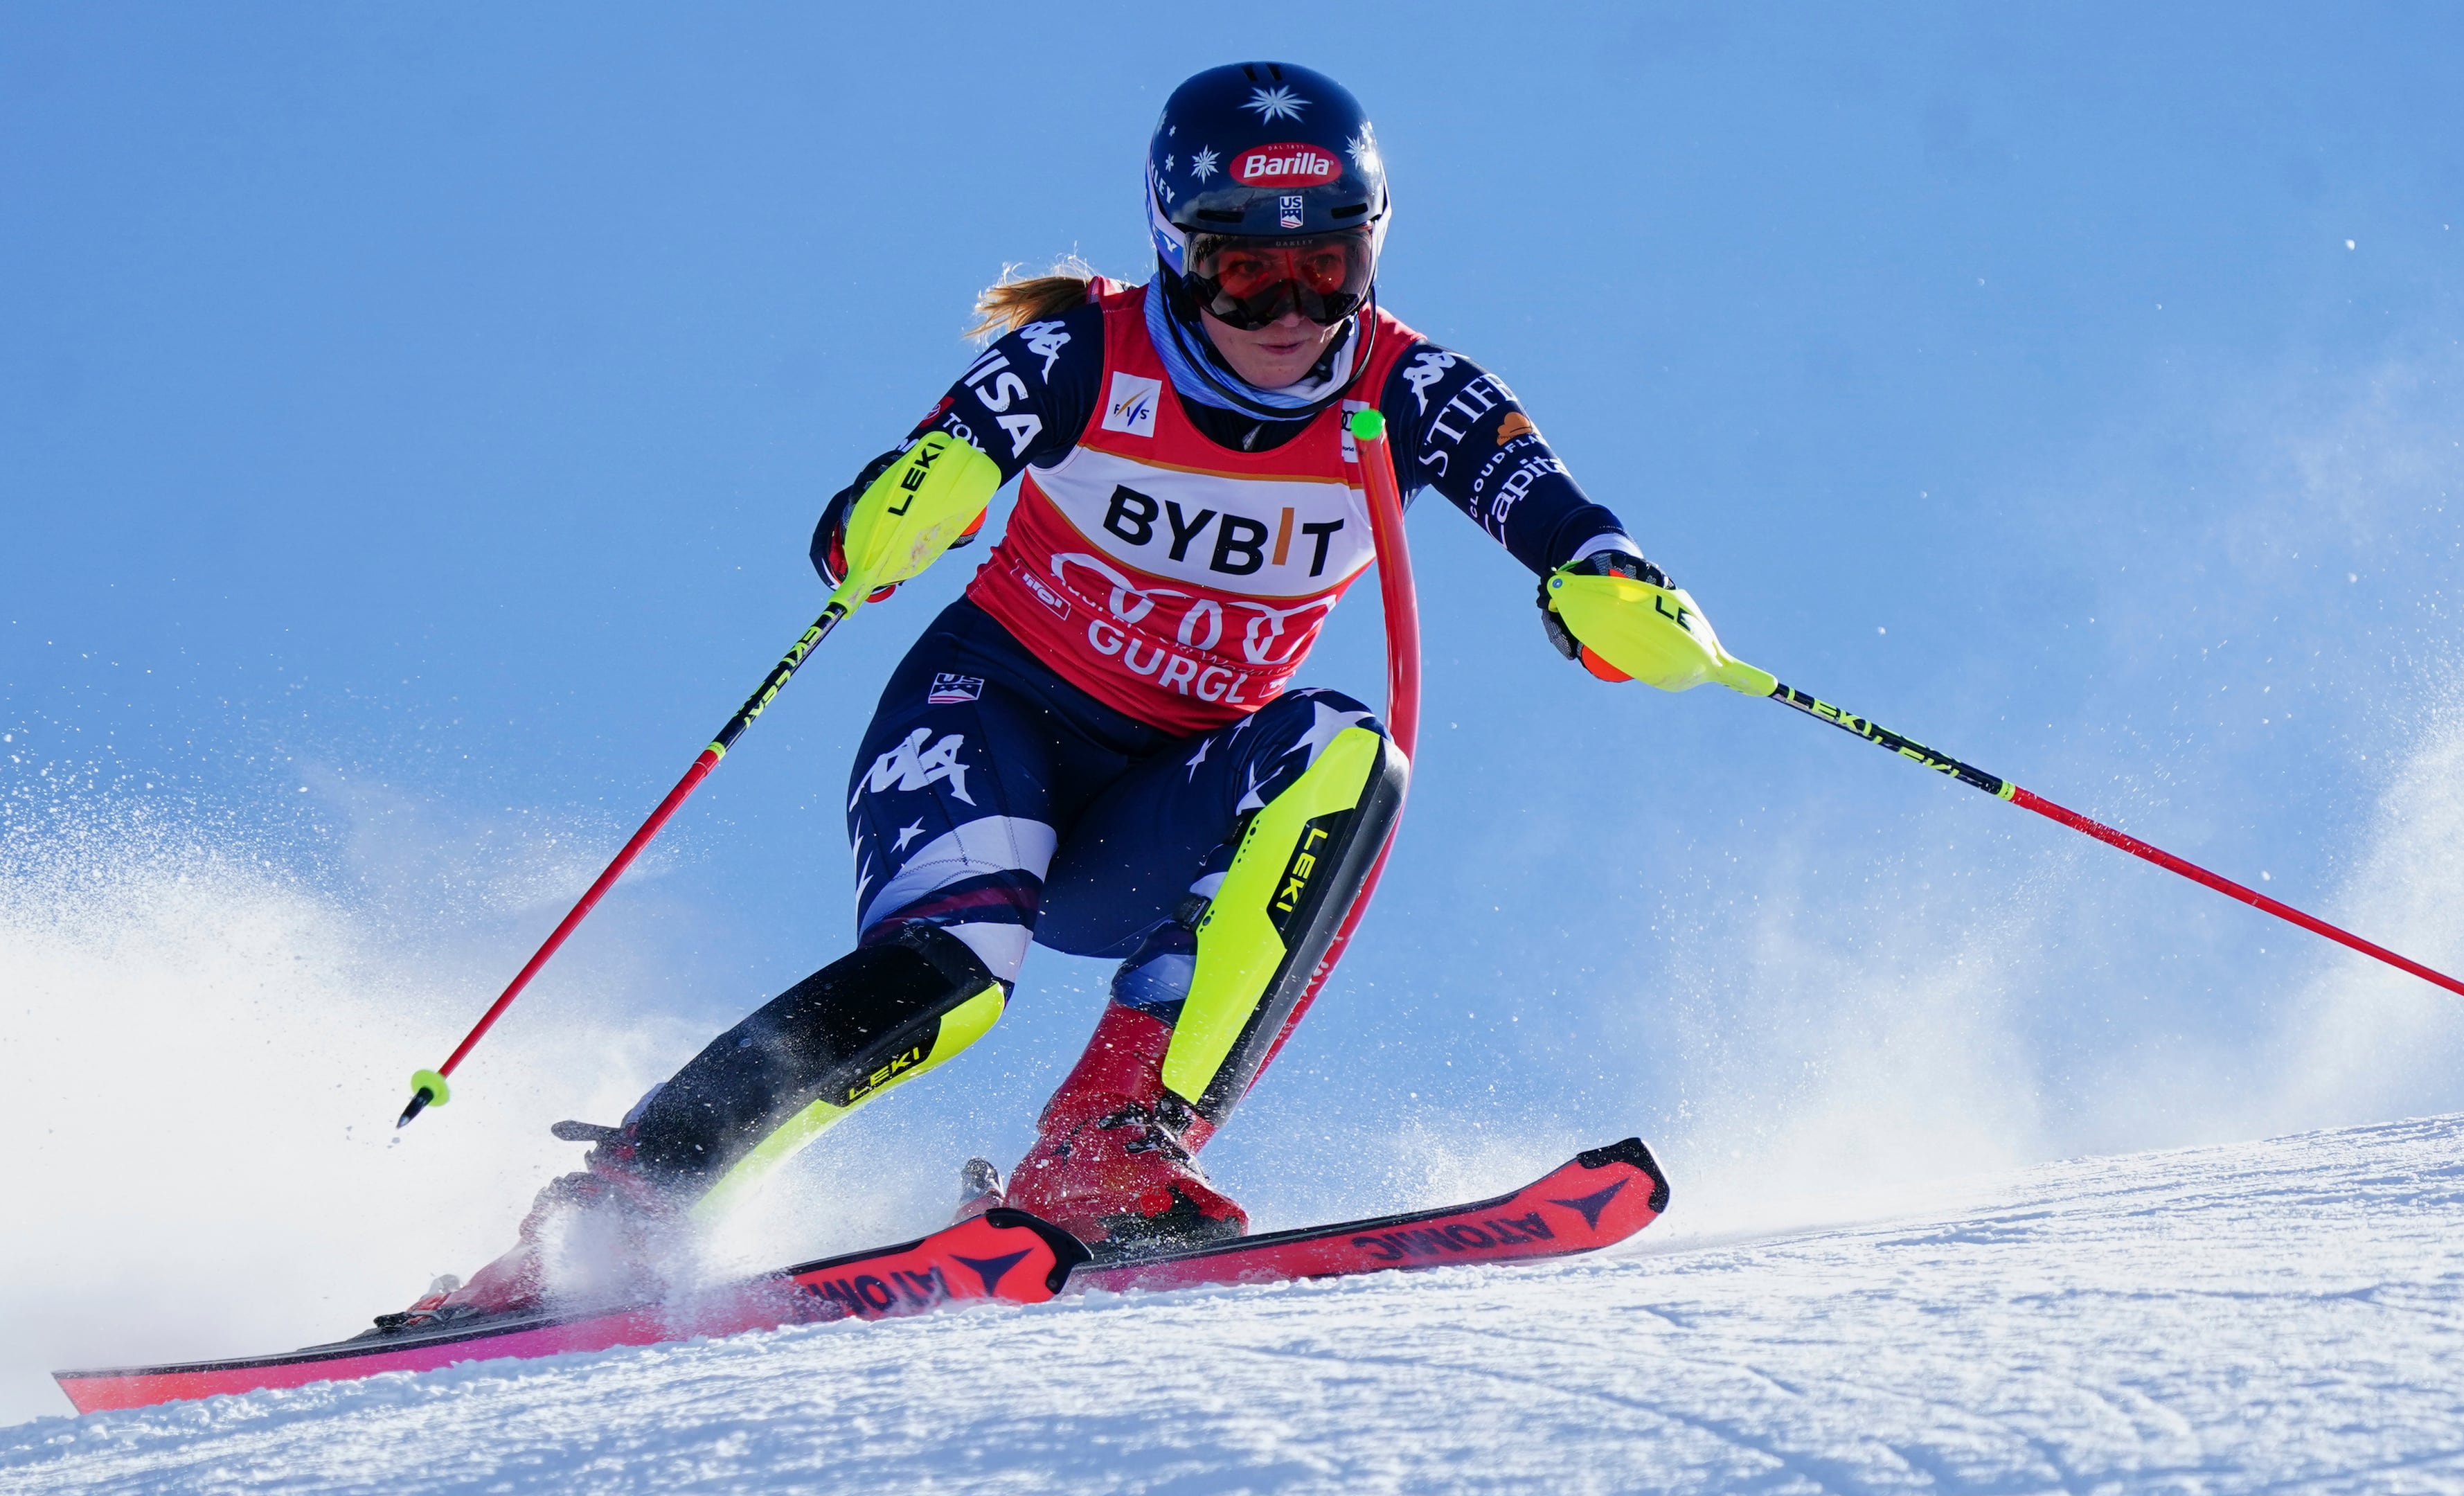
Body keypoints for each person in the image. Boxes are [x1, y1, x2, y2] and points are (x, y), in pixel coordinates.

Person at [386, 60, 1726, 1326]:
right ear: (1176, 250)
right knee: (959, 978)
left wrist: (1614, 594)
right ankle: (620, 1211)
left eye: (1329, 268)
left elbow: (1560, 515)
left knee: (1346, 751)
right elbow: (893, 503)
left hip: (1160, 803)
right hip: (991, 722)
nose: (1291, 318)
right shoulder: (1087, 353)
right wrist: (907, 511)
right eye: (1246, 274)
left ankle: (1110, 1147)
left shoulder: (1409, 385)